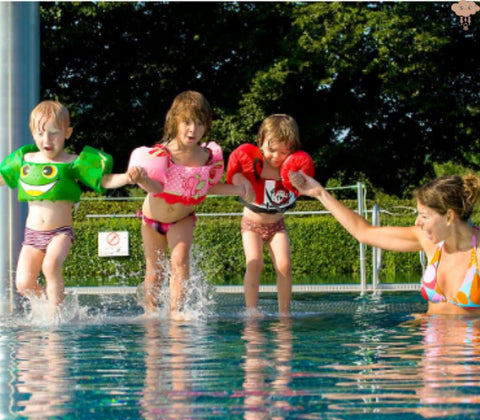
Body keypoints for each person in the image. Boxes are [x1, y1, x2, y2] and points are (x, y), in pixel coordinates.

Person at [0, 100, 146, 315]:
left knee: (50, 265)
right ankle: (52, 311)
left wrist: (126, 177)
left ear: (67, 132)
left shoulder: (73, 162)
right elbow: (2, 178)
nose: (46, 140)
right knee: (23, 284)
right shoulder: (25, 160)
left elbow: (103, 181)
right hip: (32, 235)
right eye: (40, 133)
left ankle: (55, 316)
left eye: (53, 133)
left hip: (60, 232)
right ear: (32, 133)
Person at [128, 90, 250, 319]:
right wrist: (142, 179)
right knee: (155, 272)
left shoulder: (206, 157)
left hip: (182, 218)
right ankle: (150, 312)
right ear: (174, 121)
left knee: (180, 260)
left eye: (199, 123)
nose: (193, 129)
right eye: (186, 122)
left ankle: (176, 311)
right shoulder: (163, 154)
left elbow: (206, 187)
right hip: (152, 218)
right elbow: (156, 188)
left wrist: (237, 189)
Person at [289, 170, 480, 315]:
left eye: (424, 216)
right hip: (431, 352)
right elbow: (364, 233)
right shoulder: (429, 242)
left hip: (468, 359)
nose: (417, 222)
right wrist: (320, 193)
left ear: (449, 217)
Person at [226, 114, 315, 317]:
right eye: (271, 150)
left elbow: (304, 186)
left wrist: (299, 180)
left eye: (284, 152)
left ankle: (284, 311)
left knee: (284, 265)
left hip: (277, 224)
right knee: (255, 262)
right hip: (251, 223)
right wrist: (241, 181)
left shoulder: (290, 169)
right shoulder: (253, 164)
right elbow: (235, 173)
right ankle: (251, 310)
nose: (276, 157)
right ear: (260, 143)